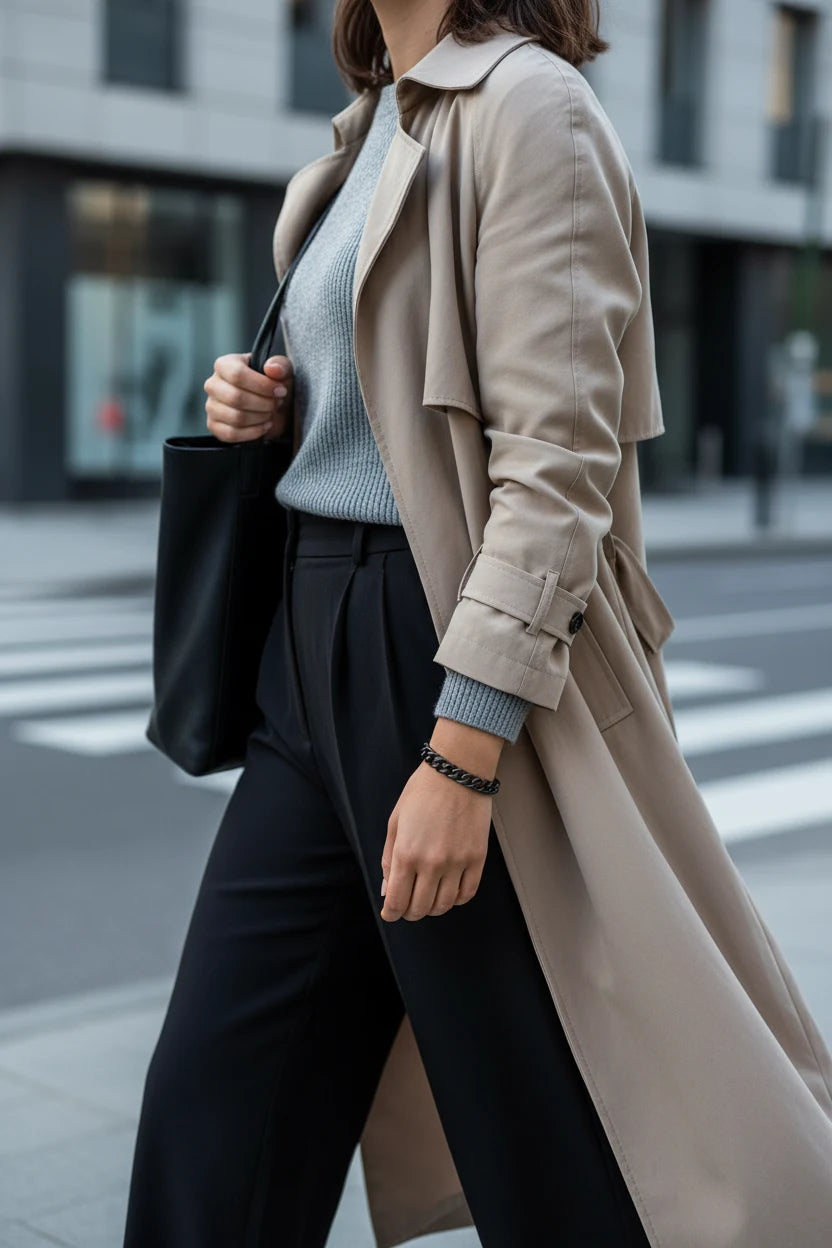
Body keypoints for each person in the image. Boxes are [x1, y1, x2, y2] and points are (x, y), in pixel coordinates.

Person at [123, 2, 832, 1247]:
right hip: (307, 649)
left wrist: (462, 750)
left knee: (546, 1131)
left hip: (442, 648)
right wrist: (270, 413)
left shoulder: (530, 109)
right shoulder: (366, 129)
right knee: (216, 1105)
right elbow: (387, 404)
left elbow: (556, 464)